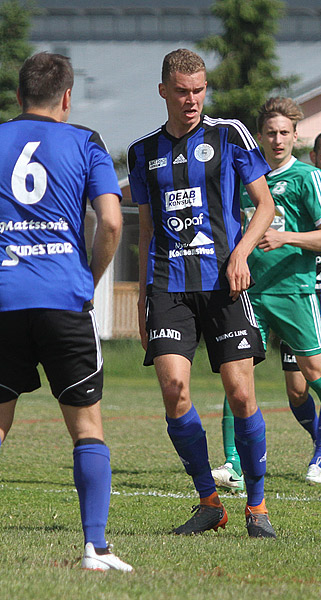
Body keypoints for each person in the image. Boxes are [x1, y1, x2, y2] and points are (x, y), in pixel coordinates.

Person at [127, 49, 277, 538]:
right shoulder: (142, 152)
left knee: (240, 394)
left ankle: (257, 508)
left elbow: (264, 205)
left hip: (223, 283)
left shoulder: (228, 133)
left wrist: (241, 254)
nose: (192, 100)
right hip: (169, 285)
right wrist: (142, 295)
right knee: (174, 391)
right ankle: (209, 503)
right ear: (163, 91)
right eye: (183, 91)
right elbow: (146, 228)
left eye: (199, 90)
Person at [0, 52, 132, 571]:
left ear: (18, 97)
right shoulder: (85, 140)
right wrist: (89, 281)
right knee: (86, 427)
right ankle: (95, 549)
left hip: (4, 298)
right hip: (62, 297)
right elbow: (112, 223)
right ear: (68, 98)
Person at [211, 99, 321, 492]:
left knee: (316, 375)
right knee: (237, 377)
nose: (278, 139)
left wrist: (284, 237)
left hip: (295, 292)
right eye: (270, 132)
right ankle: (233, 463)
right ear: (260, 135)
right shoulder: (245, 174)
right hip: (249, 294)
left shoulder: (308, 178)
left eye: (285, 132)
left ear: (296, 136)